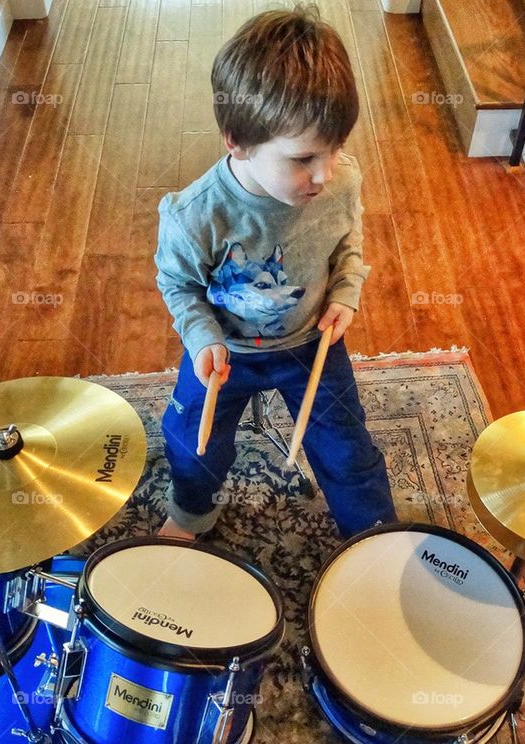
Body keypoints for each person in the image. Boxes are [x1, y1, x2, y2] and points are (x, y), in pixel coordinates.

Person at [154, 5, 396, 540]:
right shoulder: (195, 214)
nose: (324, 174)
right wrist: (201, 338)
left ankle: (374, 537)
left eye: (335, 150)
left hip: (311, 343)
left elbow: (348, 244)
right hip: (226, 353)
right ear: (236, 142)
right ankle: (191, 515)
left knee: (346, 447)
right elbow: (178, 284)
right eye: (303, 158)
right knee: (192, 440)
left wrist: (346, 293)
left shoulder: (340, 182)